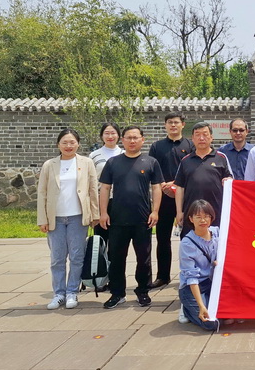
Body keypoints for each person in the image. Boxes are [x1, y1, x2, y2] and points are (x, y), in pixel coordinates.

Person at [99, 126, 164, 309]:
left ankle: (143, 291)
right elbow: (105, 188)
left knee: (144, 258)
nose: (132, 141)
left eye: (136, 137)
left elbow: (156, 187)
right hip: (117, 218)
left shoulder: (150, 162)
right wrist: (103, 212)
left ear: (143, 139)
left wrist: (155, 211)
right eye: (129, 138)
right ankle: (117, 293)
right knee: (116, 258)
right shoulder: (113, 162)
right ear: (123, 140)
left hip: (143, 218)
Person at [37, 128, 99, 310]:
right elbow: (42, 193)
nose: (68, 146)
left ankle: (72, 292)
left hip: (77, 217)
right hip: (55, 217)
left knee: (77, 256)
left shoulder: (86, 163)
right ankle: (59, 293)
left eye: (72, 142)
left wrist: (94, 214)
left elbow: (92, 189)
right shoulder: (49, 165)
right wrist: (42, 219)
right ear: (58, 145)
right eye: (64, 142)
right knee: (57, 258)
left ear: (78, 144)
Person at [147, 112, 194, 289]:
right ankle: (163, 276)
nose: (173, 125)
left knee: (188, 238)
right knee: (162, 238)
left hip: (185, 197)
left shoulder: (190, 145)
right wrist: (162, 185)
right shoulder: (157, 146)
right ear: (165, 125)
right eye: (169, 122)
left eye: (176, 122)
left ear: (183, 124)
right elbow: (152, 170)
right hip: (164, 197)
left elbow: (193, 170)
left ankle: (190, 275)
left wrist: (176, 183)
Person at [175, 121, 233, 234]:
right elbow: (180, 188)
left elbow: (230, 182)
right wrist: (179, 211)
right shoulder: (185, 160)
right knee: (191, 241)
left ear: (211, 137)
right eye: (197, 135)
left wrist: (229, 180)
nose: (201, 138)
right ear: (192, 138)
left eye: (205, 134)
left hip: (216, 212)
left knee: (215, 242)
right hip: (191, 212)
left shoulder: (221, 158)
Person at [178, 199, 220, 331]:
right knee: (211, 323)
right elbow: (191, 277)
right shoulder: (187, 243)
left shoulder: (217, 232)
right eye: (198, 217)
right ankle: (187, 309)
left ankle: (205, 300)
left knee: (229, 317)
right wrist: (201, 306)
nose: (203, 220)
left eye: (206, 216)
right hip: (192, 287)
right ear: (191, 219)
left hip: (212, 283)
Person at [89, 122, 123, 246]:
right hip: (100, 200)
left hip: (120, 200)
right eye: (106, 133)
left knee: (118, 240)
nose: (110, 136)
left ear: (118, 135)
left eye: (113, 133)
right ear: (101, 136)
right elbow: (90, 180)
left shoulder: (124, 154)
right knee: (101, 239)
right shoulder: (94, 155)